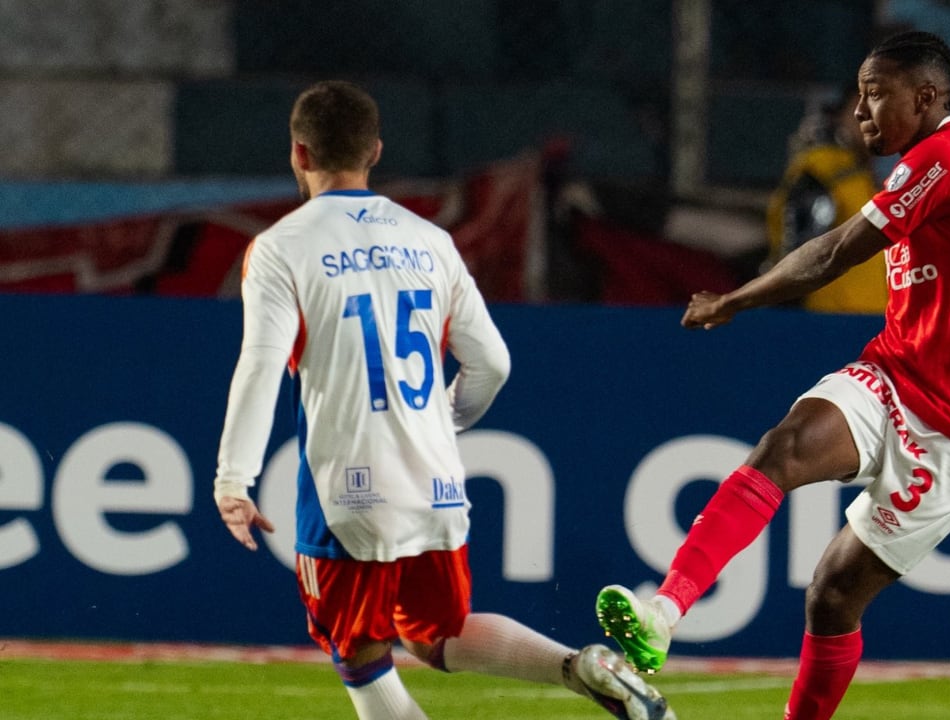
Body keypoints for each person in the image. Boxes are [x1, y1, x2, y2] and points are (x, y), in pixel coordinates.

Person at [595, 31, 950, 720]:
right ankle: (663, 613)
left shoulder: (945, 158)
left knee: (834, 597)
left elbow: (835, 250)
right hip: (895, 375)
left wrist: (733, 299)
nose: (859, 113)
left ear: (925, 98)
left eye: (874, 95)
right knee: (788, 445)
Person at [213, 80, 675, 720]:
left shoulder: (282, 248)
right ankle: (578, 667)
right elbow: (493, 362)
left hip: (349, 489)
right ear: (375, 151)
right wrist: (437, 421)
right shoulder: (429, 240)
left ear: (298, 154)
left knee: (359, 651)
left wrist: (233, 477)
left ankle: (579, 670)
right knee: (433, 634)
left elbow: (262, 363)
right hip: (436, 483)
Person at [764, 83, 887, 314]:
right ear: (840, 115)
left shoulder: (865, 178)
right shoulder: (821, 171)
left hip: (873, 324)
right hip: (830, 322)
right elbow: (797, 257)